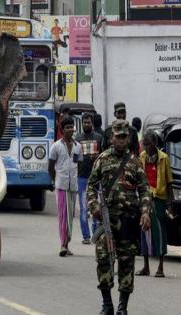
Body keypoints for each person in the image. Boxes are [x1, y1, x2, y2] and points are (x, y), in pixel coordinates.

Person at [87, 120, 151, 315]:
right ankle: (107, 305)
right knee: (104, 260)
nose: (121, 140)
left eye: (124, 136)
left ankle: (123, 307)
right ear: (111, 137)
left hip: (129, 221)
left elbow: (145, 189)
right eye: (118, 136)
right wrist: (94, 205)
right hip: (106, 221)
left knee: (127, 263)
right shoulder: (102, 159)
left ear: (129, 138)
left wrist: (146, 211)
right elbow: (91, 186)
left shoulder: (135, 163)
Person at [136, 130, 173, 278]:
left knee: (159, 231)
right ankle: (146, 266)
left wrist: (169, 204)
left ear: (154, 145)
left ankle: (161, 266)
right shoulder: (142, 156)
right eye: (144, 144)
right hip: (145, 197)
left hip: (159, 198)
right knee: (144, 230)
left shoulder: (164, 158)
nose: (145, 147)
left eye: (148, 144)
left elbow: (169, 182)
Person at [48, 115, 82, 257]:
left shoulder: (78, 146)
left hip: (73, 185)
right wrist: (54, 180)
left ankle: (67, 244)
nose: (70, 130)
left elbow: (77, 164)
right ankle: (63, 244)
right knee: (63, 215)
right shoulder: (56, 146)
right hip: (61, 185)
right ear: (62, 130)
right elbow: (50, 166)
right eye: (67, 128)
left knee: (70, 216)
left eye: (71, 127)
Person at [75, 113, 102, 244]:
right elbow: (74, 158)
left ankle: (96, 234)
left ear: (92, 123)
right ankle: (85, 236)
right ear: (82, 123)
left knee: (96, 206)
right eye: (85, 122)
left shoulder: (98, 138)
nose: (87, 124)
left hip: (96, 177)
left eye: (89, 122)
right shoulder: (77, 138)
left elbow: (103, 157)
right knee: (83, 207)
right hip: (81, 177)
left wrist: (96, 157)